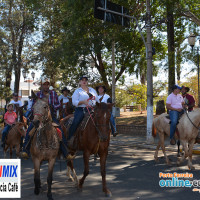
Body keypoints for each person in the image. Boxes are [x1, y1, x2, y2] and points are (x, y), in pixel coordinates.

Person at [21, 77, 74, 160]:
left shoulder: (53, 93)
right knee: (30, 129)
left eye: (47, 84)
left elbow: (58, 105)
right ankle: (25, 151)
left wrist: (52, 107)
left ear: (49, 85)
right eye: (44, 84)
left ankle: (66, 153)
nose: (46, 86)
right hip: (40, 116)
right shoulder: (38, 94)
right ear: (42, 85)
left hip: (51, 116)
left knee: (60, 131)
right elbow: (34, 106)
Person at [67, 76, 99, 143]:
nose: (84, 81)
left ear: (87, 82)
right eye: (82, 80)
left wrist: (97, 102)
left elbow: (97, 100)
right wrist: (83, 102)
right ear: (80, 82)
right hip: (81, 109)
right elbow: (74, 102)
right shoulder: (77, 91)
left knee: (101, 120)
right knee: (76, 122)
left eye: (85, 80)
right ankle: (69, 138)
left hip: (92, 109)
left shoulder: (92, 90)